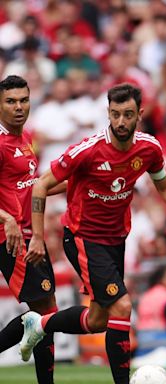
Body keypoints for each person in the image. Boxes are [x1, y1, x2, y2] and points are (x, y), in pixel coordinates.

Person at [20, 83, 166, 384]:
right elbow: (41, 185)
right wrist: (37, 237)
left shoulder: (149, 148)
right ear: (107, 113)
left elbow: (163, 185)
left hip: (116, 239)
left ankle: (41, 324)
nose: (121, 122)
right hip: (83, 236)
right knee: (123, 306)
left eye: (127, 114)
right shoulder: (88, 150)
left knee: (98, 320)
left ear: (140, 114)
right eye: (115, 114)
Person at [0, 75, 64, 384]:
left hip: (29, 235)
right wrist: (7, 219)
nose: (18, 107)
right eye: (10, 101)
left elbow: (32, 187)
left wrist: (78, 183)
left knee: (45, 313)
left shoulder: (25, 138)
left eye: (23, 100)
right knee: (43, 314)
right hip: (10, 238)